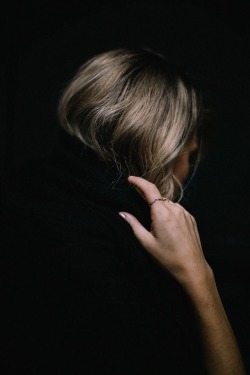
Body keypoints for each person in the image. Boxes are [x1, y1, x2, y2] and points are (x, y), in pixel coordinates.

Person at [1, 48, 245, 374]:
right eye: (191, 154)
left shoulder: (25, 191)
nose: (188, 169)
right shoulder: (113, 258)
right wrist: (200, 276)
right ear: (166, 148)